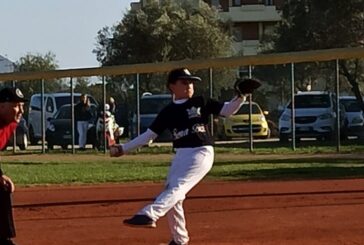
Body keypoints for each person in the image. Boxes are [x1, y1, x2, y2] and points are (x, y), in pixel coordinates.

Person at [110, 68, 253, 245]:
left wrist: (241, 96)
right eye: (184, 82)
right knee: (173, 193)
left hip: (201, 151)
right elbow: (148, 136)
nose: (189, 85)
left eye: (191, 82)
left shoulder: (201, 102)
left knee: (178, 187)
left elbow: (228, 110)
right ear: (172, 86)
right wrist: (124, 148)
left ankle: (149, 214)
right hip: (181, 154)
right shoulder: (168, 111)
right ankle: (180, 240)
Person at [0, 87, 27, 245]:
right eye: (16, 105)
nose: (21, 109)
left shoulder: (9, 123)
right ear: (1, 106)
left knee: (3, 188)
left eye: (22, 105)